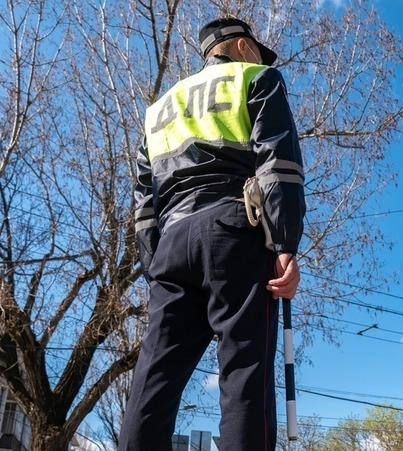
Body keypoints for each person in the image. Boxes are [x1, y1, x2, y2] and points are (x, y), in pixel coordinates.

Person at [118, 17, 306, 451]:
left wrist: (155, 267)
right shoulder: (258, 78)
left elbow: (143, 205)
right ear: (242, 46)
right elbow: (279, 166)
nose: (262, 57)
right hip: (233, 231)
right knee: (244, 370)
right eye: (258, 49)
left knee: (153, 379)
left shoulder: (158, 110)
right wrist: (285, 245)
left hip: (171, 245)